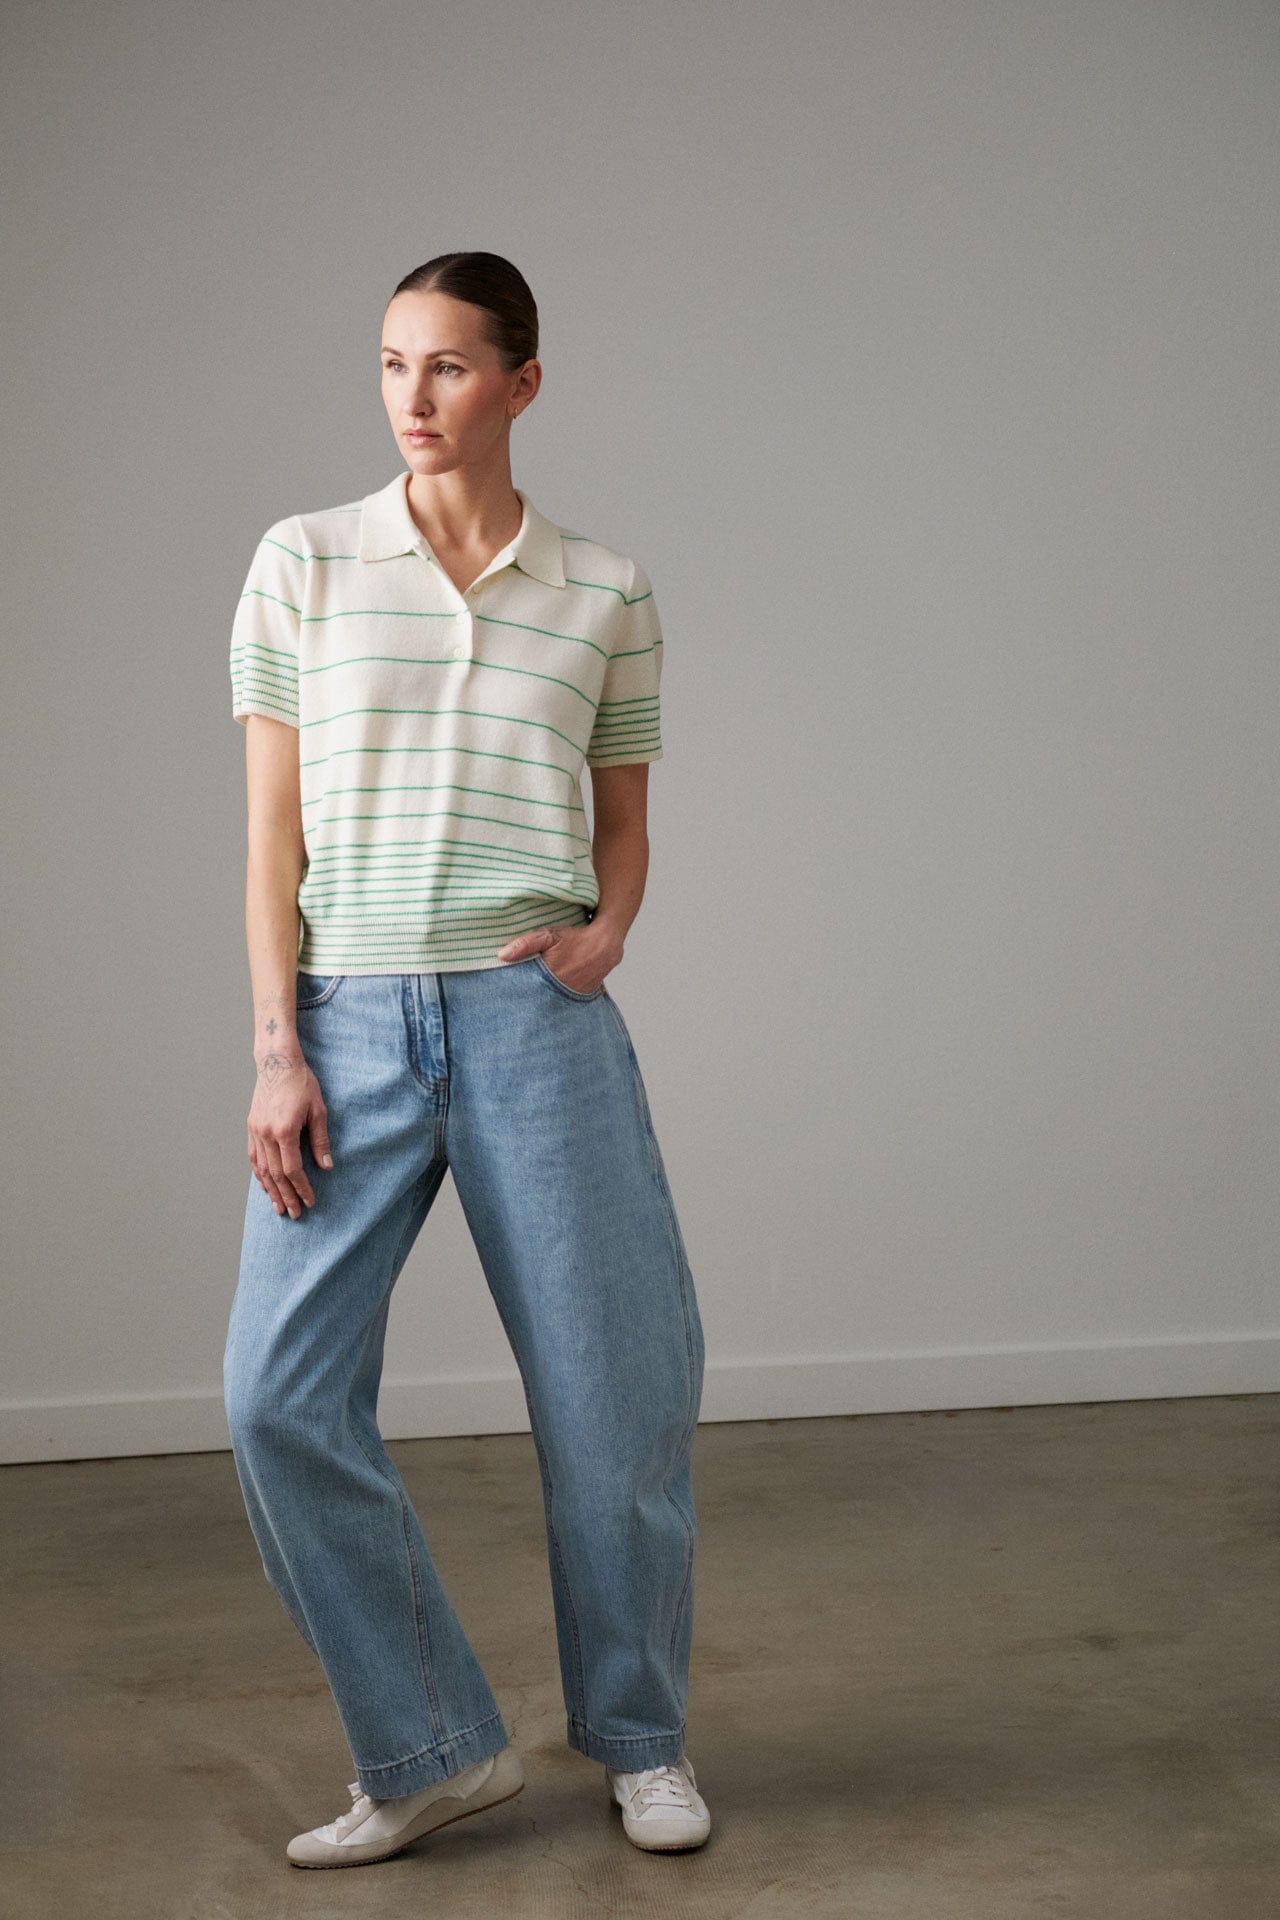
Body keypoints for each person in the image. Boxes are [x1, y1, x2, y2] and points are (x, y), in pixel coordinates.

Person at [221, 251, 710, 1869]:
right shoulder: (303, 562)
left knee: (613, 1401)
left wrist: (605, 930)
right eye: (388, 366)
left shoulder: (604, 588)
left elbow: (624, 826)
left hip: (529, 1020)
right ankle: (430, 1749)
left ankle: (642, 1742)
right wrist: (278, 1045)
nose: (411, 400)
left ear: (521, 382)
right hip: (350, 1017)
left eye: (444, 367)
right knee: (276, 1399)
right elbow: (271, 837)